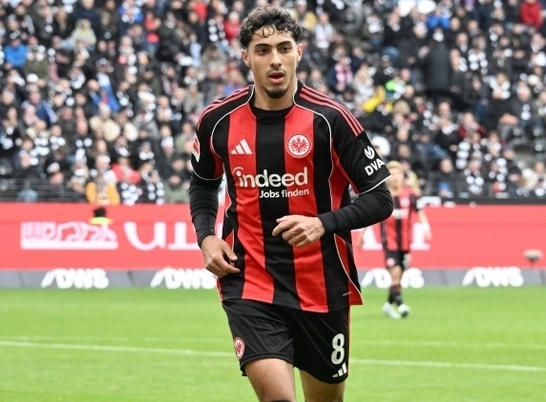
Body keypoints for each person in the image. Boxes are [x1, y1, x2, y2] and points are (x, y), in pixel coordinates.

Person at [188, 6, 393, 402]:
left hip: (322, 285)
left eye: (284, 48)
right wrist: (206, 238)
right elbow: (202, 184)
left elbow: (381, 198)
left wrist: (323, 223)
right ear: (246, 57)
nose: (275, 60)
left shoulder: (331, 119)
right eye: (263, 50)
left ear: (299, 51)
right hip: (249, 280)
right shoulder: (218, 120)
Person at [358, 160, 432, 319]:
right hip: (389, 242)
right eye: (392, 174)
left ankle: (388, 305)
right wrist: (362, 235)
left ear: (402, 176)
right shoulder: (383, 197)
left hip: (406, 243)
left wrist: (426, 228)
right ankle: (401, 305)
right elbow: (371, 216)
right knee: (395, 272)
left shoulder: (410, 195)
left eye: (398, 174)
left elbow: (420, 212)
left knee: (399, 277)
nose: (395, 177)